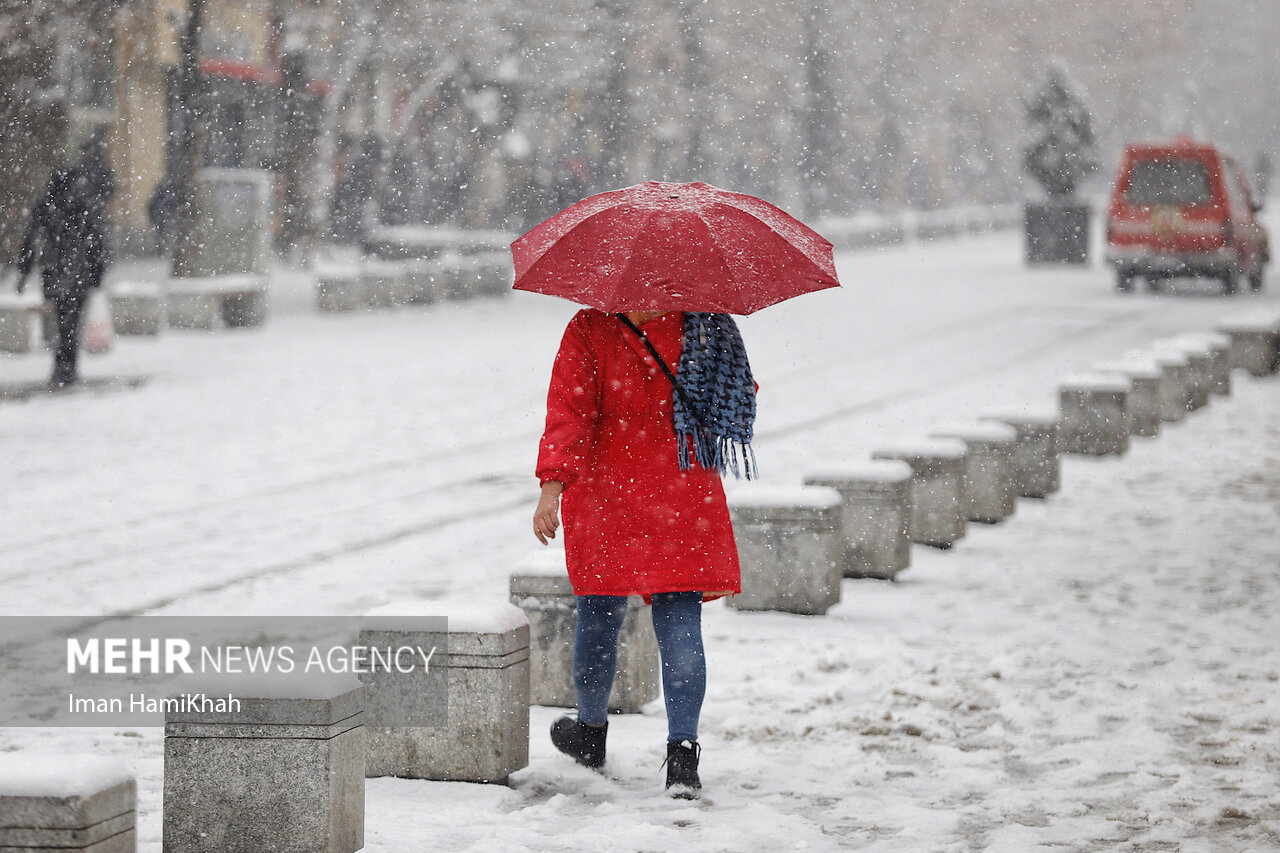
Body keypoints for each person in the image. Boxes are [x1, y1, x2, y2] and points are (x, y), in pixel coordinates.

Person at [533, 308, 757, 799]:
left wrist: (552, 488)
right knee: (680, 621)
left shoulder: (590, 327)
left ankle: (590, 734)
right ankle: (682, 757)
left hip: (605, 484)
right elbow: (740, 396)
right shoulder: (706, 324)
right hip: (682, 486)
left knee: (598, 615)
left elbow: (567, 412)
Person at [15, 135, 115, 388]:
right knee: (72, 318)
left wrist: (24, 271)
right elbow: (97, 238)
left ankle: (62, 365)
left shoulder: (48, 203)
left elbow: (31, 237)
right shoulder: (86, 203)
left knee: (62, 318)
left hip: (54, 268)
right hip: (79, 269)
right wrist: (98, 271)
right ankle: (67, 366)